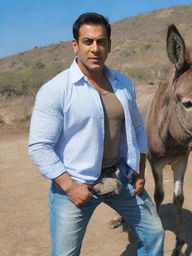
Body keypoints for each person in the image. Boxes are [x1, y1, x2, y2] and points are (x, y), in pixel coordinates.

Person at [28, 12, 164, 256]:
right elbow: (39, 147)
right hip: (76, 183)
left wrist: (140, 169)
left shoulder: (123, 84)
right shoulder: (56, 90)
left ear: (109, 45)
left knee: (153, 233)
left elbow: (138, 128)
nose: (95, 48)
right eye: (88, 41)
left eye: (101, 41)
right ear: (75, 45)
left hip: (121, 177)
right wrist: (69, 187)